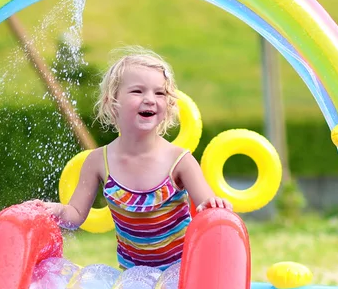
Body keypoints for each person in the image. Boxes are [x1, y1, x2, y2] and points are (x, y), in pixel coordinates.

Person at [42, 48, 232, 270]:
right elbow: (74, 215)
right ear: (112, 101)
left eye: (160, 93)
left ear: (168, 104)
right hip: (134, 279)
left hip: (182, 272)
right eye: (138, 91)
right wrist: (58, 211)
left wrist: (213, 205)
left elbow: (207, 209)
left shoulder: (179, 161)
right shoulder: (98, 162)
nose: (150, 100)